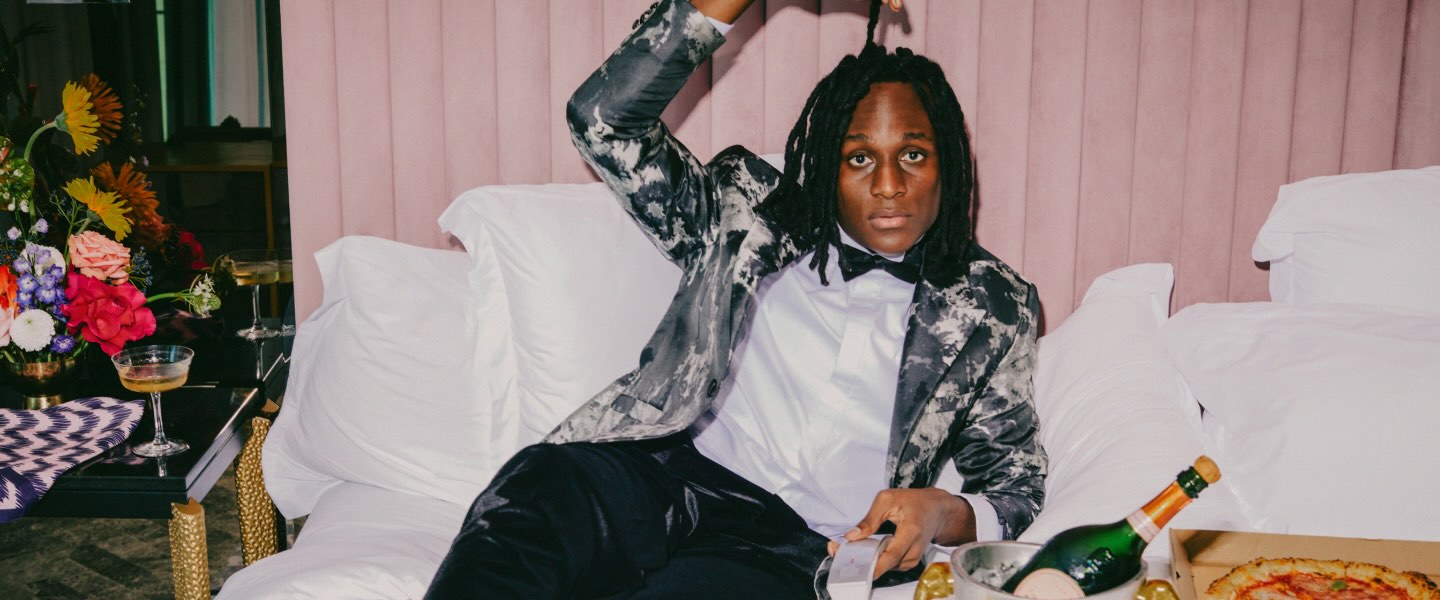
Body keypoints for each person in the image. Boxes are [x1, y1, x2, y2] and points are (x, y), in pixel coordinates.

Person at [425, 0, 1045, 597]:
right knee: (540, 492)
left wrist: (941, 511)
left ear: (951, 165)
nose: (888, 185)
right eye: (859, 158)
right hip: (661, 473)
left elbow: (1014, 486)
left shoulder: (993, 305)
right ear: (825, 163)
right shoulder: (748, 212)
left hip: (791, 548)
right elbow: (604, 119)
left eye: (913, 155)